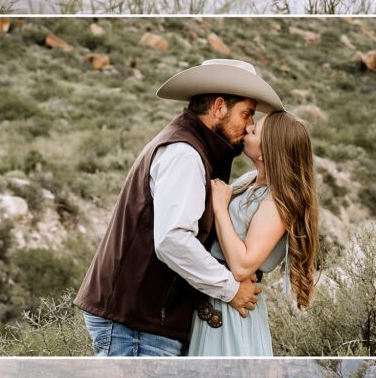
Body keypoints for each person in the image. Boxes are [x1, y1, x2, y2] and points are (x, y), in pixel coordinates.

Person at [75, 58, 283, 356]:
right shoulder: (185, 154)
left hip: (141, 319)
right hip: (136, 322)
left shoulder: (196, 147)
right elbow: (173, 240)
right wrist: (231, 288)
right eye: (247, 114)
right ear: (219, 107)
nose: (250, 125)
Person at [188, 110, 320, 356]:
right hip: (214, 295)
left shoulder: (276, 203)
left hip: (233, 310)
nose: (248, 128)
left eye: (255, 130)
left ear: (266, 153)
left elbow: (242, 266)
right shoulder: (250, 181)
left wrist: (220, 208)